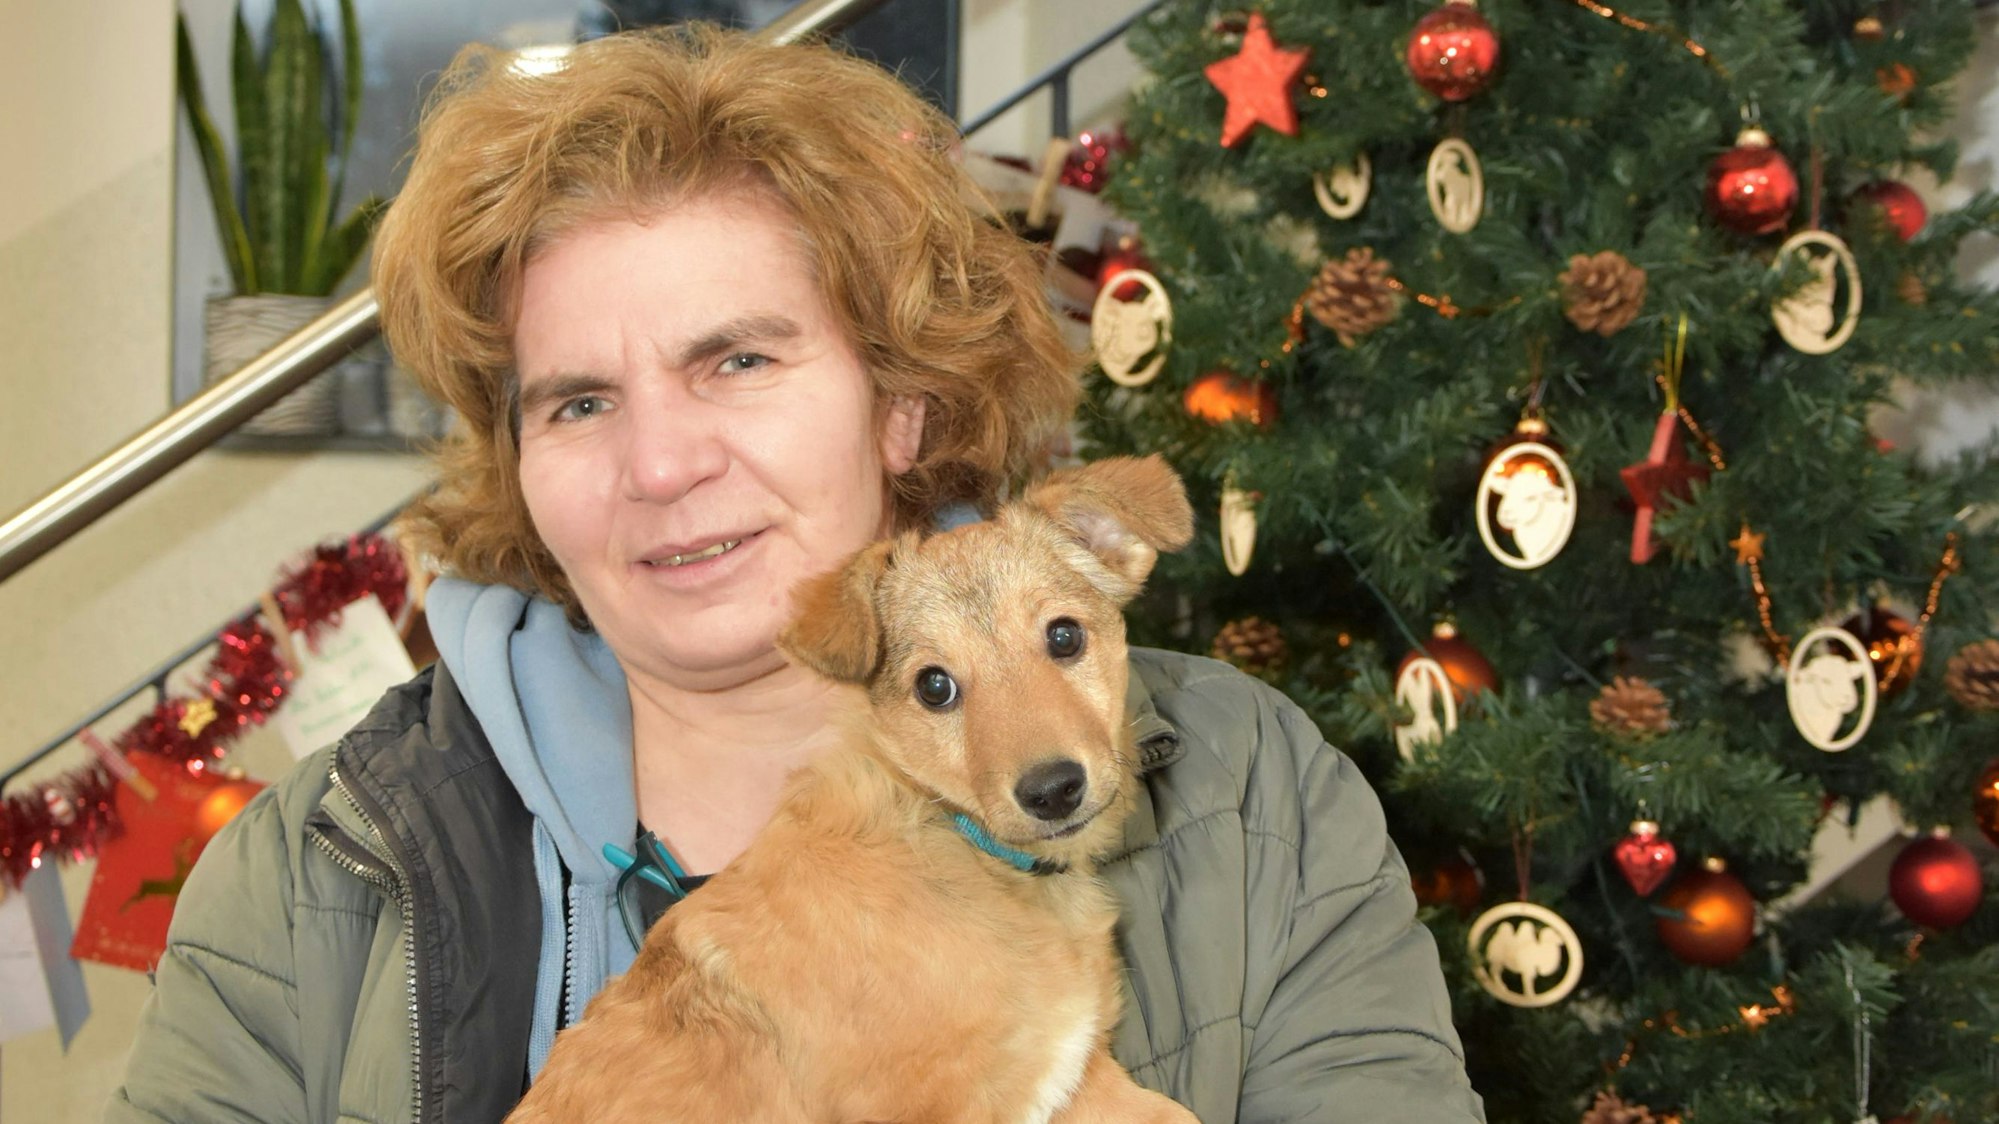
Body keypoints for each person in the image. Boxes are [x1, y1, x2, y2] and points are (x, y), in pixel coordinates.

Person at [108, 24, 1484, 1124]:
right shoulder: (314, 874)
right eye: (577, 403)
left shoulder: (1252, 795)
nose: (660, 463)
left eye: (738, 360)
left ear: (901, 404)